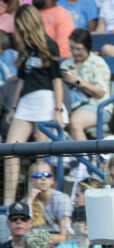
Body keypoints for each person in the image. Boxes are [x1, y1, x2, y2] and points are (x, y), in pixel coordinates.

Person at [3, 6, 63, 210]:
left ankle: (40, 204)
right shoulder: (24, 48)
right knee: (11, 149)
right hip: (26, 102)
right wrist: (12, 108)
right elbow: (21, 80)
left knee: (41, 155)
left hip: (45, 99)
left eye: (20, 25)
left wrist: (57, 111)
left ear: (28, 23)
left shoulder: (49, 44)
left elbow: (57, 81)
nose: (17, 30)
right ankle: (8, 204)